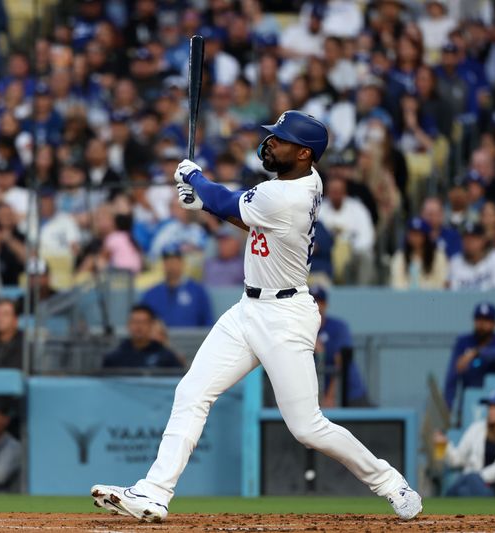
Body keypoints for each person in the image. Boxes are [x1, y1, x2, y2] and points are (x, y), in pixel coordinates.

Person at [92, 111, 421, 522]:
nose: (270, 144)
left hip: (285, 316)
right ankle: (154, 493)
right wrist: (207, 201)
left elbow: (231, 202)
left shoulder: (289, 195)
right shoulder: (296, 182)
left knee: (307, 427)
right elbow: (248, 218)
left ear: (304, 154)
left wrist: (195, 179)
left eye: (280, 141)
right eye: (272, 137)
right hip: (249, 309)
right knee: (192, 392)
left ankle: (392, 483)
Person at [435, 389, 495, 497]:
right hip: (472, 485)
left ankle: (445, 499)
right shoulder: (477, 428)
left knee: (465, 484)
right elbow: (457, 459)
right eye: (489, 406)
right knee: (462, 492)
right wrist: (445, 445)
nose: (490, 410)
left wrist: (479, 476)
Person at [444, 303, 495, 410]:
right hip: (471, 403)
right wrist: (448, 405)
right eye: (478, 320)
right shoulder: (464, 341)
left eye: (486, 320)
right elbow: (452, 376)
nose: (481, 324)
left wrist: (476, 353)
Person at [311, 287, 369, 407]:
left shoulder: (338, 327)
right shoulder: (302, 330)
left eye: (319, 301)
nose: (315, 305)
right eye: (312, 301)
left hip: (350, 394)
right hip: (317, 399)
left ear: (325, 304)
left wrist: (330, 396)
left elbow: (340, 362)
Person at [140, 245, 213, 328]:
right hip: (159, 340)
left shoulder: (197, 292)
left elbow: (208, 323)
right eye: (168, 261)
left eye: (175, 261)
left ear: (182, 263)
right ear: (163, 264)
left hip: (191, 340)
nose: (171, 265)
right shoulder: (152, 294)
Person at [103, 304, 182, 369]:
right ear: (128, 325)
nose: (139, 327)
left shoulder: (166, 357)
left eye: (143, 322)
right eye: (135, 322)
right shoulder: (115, 358)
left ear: (151, 325)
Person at [447, 222, 495, 291]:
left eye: (473, 238)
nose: (468, 242)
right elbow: (451, 293)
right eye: (465, 238)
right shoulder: (455, 261)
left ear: (483, 240)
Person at [390, 217, 448, 290]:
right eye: (412, 234)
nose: (415, 238)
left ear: (426, 236)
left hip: (432, 299)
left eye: (418, 234)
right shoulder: (399, 257)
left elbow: (441, 282)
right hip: (405, 299)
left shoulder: (438, 256)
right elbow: (397, 283)